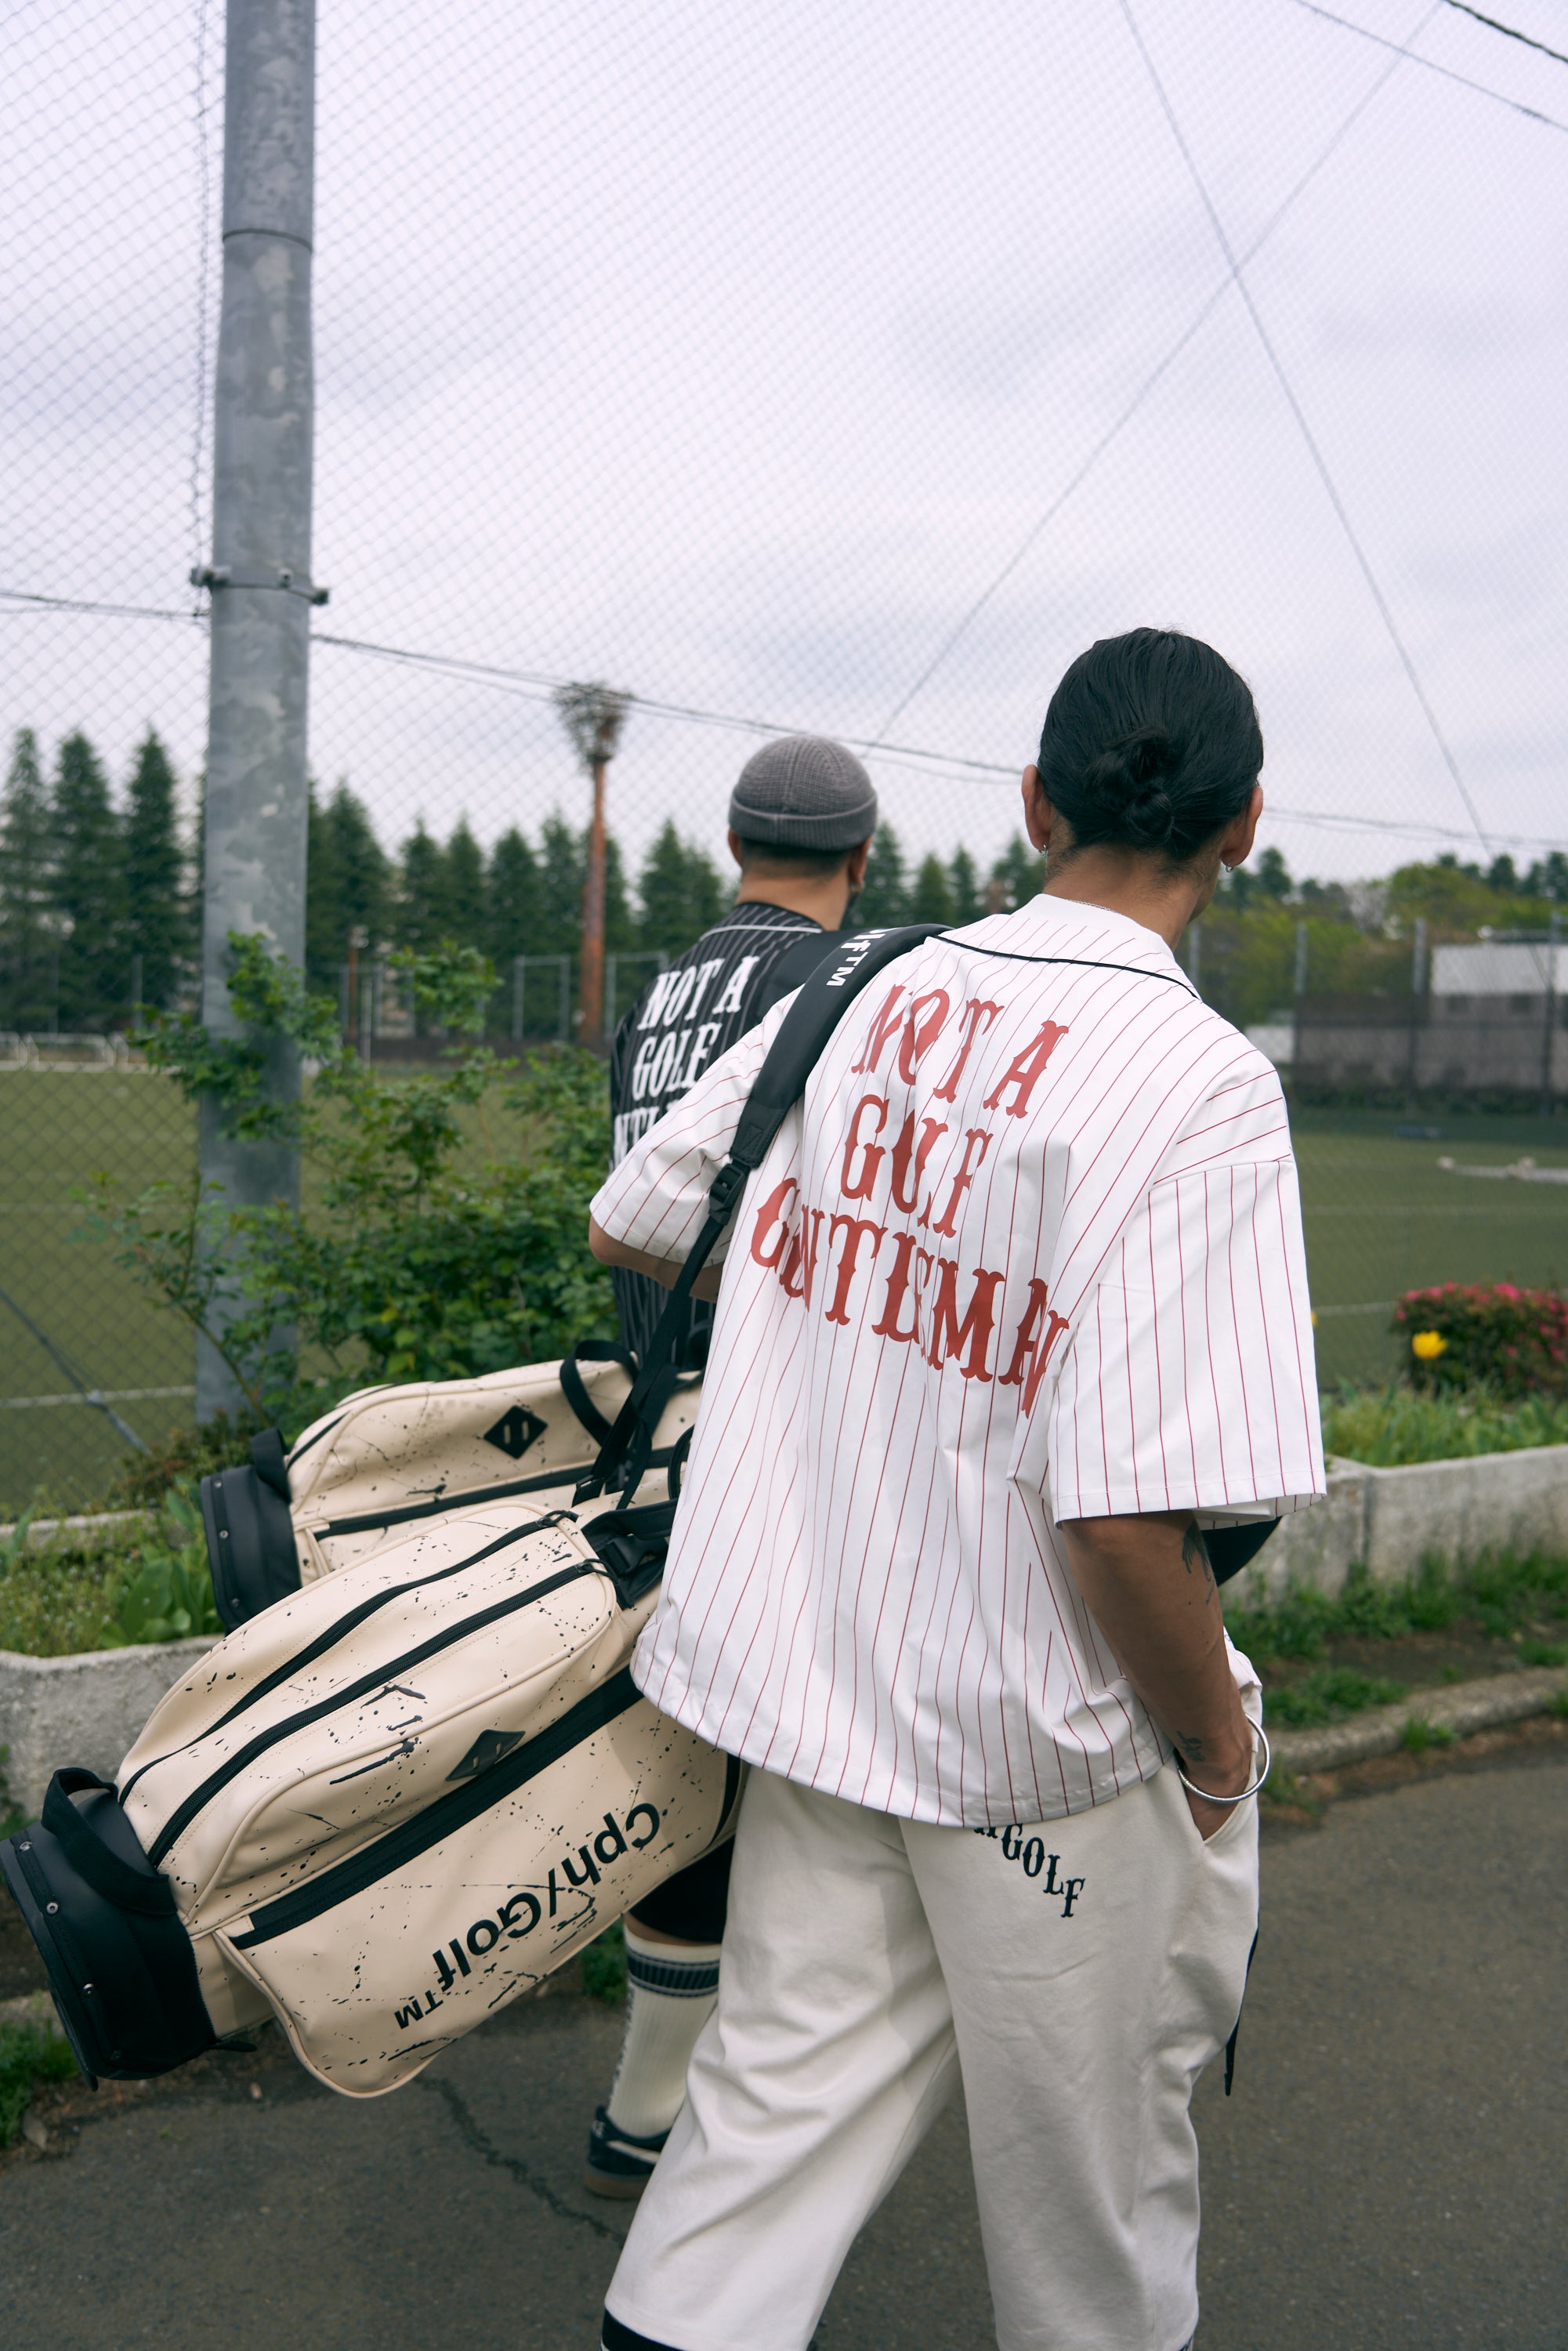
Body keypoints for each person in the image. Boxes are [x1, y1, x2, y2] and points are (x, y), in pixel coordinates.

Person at [586, 628, 1325, 2351]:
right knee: (1094, 2226)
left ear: (1034, 799)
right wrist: (1213, 1745)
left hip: (809, 1690)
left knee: (756, 2143)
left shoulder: (868, 985)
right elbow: (1124, 1511)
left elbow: (636, 1215)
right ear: (1245, 825)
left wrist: (841, 1292)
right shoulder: (1198, 1082)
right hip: (1037, 1757)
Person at [585, 734, 875, 2199]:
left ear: (729, 847)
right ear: (862, 859)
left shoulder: (667, 985)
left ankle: (652, 2096)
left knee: (692, 1759)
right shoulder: (837, 981)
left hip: (648, 1412)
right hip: (759, 1425)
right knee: (764, 1784)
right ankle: (686, 2122)